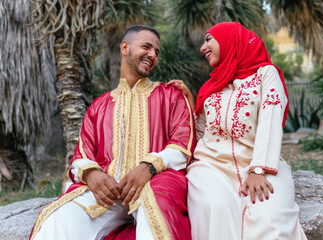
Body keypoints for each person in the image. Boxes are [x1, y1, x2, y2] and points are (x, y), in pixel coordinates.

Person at [29, 25, 196, 240]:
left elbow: (183, 145)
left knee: (155, 213)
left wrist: (149, 167)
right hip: (107, 195)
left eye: (156, 51)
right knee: (57, 221)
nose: (153, 55)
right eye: (146, 47)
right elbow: (81, 155)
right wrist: (92, 174)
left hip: (154, 186)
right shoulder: (99, 106)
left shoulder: (171, 95)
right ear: (125, 48)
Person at [168, 22, 307, 239]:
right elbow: (202, 134)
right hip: (211, 167)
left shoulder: (265, 74)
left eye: (208, 39)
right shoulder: (212, 87)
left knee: (270, 220)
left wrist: (258, 170)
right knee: (215, 209)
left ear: (228, 39)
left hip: (260, 163)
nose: (203, 48)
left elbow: (271, 118)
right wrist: (189, 102)